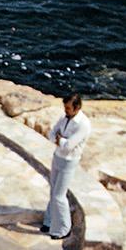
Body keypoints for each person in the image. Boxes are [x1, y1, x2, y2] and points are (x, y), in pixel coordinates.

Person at [41, 92, 91, 238]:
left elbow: (69, 146)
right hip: (57, 157)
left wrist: (61, 140)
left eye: (68, 108)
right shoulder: (65, 118)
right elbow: (52, 133)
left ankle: (63, 228)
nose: (65, 111)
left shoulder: (83, 125)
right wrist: (60, 140)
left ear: (77, 108)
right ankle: (49, 221)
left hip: (69, 162)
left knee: (59, 195)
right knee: (53, 191)